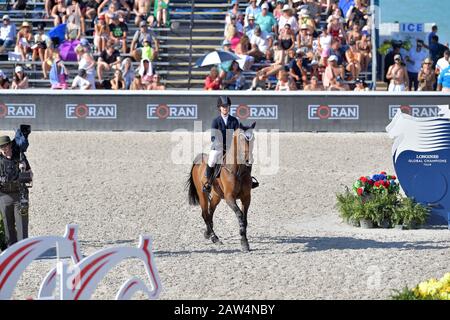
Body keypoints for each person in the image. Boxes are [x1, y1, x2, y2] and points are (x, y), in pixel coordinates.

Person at [0, 132, 32, 248]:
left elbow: (31, 175)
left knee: (22, 225)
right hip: (4, 196)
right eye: (2, 147)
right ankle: (11, 250)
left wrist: (24, 170)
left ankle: (23, 249)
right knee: (8, 225)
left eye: (6, 146)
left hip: (20, 195)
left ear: (10, 145)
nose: (4, 149)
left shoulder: (20, 156)